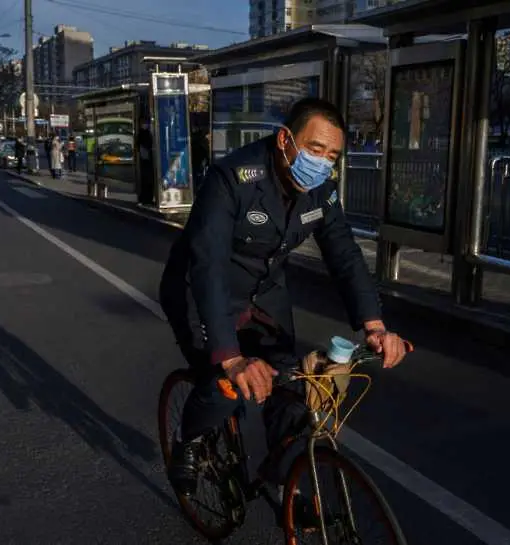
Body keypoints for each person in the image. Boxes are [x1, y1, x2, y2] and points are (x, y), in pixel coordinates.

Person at [159, 97, 410, 498]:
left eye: (332, 155)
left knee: (295, 388)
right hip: (201, 291)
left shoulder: (320, 189)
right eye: (314, 149)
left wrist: (374, 325)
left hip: (264, 296)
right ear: (285, 140)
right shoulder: (231, 179)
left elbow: (344, 254)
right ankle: (189, 439)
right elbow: (206, 265)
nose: (323, 161)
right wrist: (231, 356)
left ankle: (284, 487)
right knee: (227, 385)